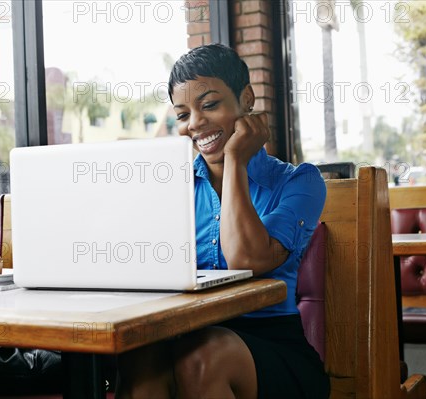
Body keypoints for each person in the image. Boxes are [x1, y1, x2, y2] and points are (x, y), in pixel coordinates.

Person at [116, 43, 329, 399]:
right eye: (183, 114)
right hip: (187, 333)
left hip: (273, 349)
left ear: (246, 99)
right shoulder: (171, 188)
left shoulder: (301, 182)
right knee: (142, 355)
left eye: (210, 105)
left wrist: (235, 161)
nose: (195, 123)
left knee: (203, 355)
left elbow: (247, 259)